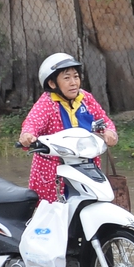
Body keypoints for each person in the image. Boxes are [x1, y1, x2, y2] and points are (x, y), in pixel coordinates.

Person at [19, 53, 118, 203]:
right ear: (52, 83)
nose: (74, 83)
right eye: (67, 78)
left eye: (76, 77)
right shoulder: (47, 103)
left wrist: (110, 132)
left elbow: (104, 121)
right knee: (53, 213)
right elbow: (32, 123)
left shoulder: (85, 98)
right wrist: (27, 135)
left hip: (87, 166)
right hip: (54, 171)